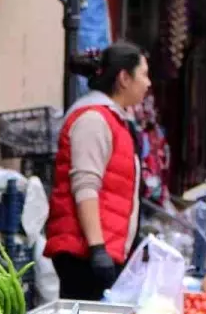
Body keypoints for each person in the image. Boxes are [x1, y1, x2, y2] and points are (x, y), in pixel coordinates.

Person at [44, 42, 151, 300]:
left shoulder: (116, 120)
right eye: (144, 74)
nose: (148, 83)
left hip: (102, 250)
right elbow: (85, 186)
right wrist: (97, 249)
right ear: (124, 78)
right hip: (85, 255)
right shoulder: (93, 119)